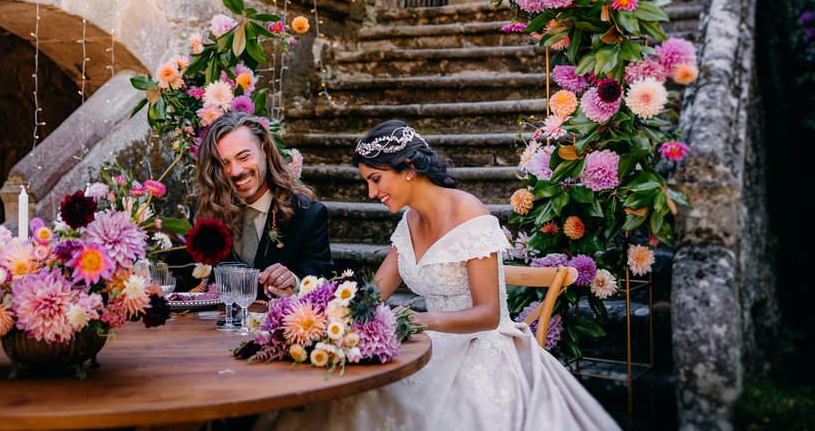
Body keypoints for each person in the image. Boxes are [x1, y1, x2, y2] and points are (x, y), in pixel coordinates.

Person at [261, 119, 619, 430]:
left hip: (483, 348)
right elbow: (374, 295)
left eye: (375, 179)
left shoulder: (468, 212)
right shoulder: (409, 221)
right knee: (350, 396)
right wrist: (317, 310)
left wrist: (419, 319)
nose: (371, 193)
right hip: (429, 343)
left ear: (407, 168)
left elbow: (488, 314)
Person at [194, 111, 334, 297]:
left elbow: (323, 281)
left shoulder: (307, 214)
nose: (235, 171)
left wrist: (295, 281)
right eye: (224, 163)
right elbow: (193, 278)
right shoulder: (205, 210)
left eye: (244, 157)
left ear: (264, 149)